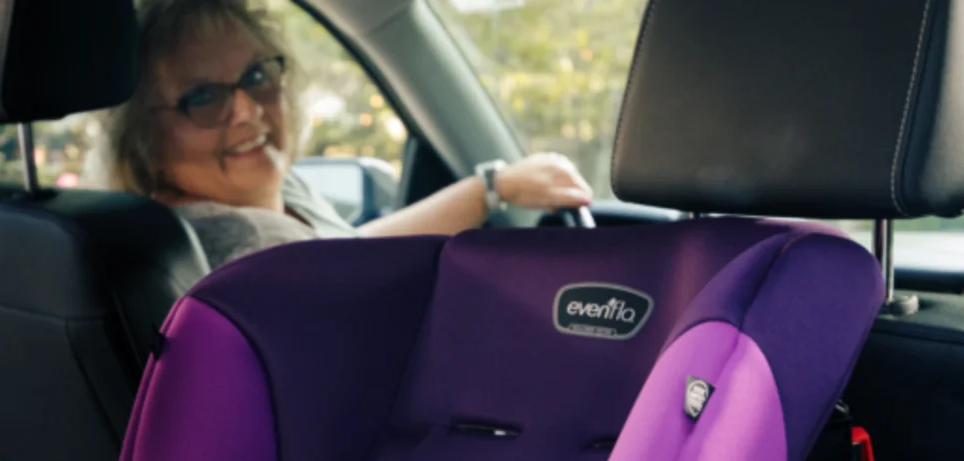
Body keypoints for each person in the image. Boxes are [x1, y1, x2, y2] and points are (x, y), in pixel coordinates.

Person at [102, 0, 596, 267]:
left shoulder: (265, 192)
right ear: (145, 136)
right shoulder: (240, 240)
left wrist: (492, 188)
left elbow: (349, 251)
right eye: (204, 98)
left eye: (256, 75)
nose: (248, 111)